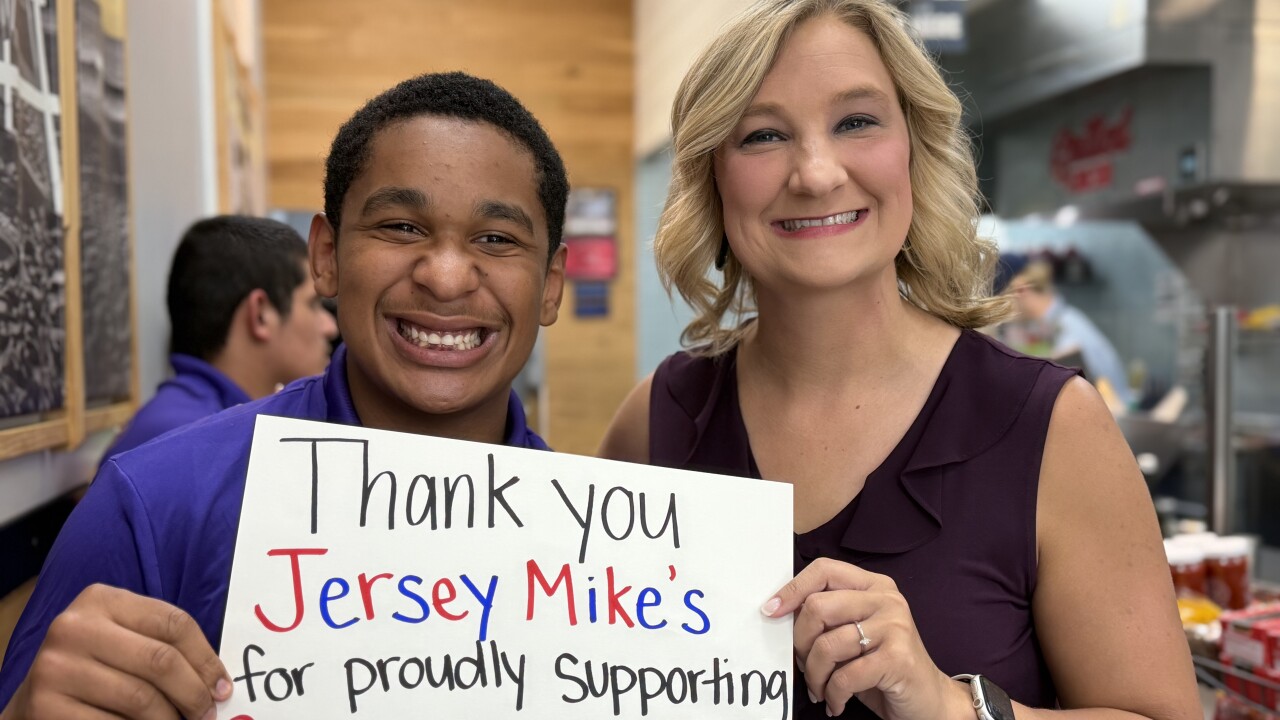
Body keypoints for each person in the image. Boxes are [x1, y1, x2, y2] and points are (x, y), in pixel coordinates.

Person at [600, 1, 1198, 718]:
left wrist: (951, 707)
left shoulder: (1051, 428)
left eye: (857, 122)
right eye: (762, 135)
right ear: (712, 178)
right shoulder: (656, 424)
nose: (817, 174)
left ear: (913, 147)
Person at [0, 71, 568, 719]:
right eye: (401, 227)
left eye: (495, 239)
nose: (443, 276)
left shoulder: (609, 568)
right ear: (325, 256)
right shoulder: (154, 507)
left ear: (550, 285)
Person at [102, 215, 339, 460]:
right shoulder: (183, 437)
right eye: (313, 304)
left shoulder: (217, 422)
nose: (330, 326)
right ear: (260, 316)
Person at [1006, 259, 1135, 408]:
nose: (1010, 307)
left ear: (1022, 291)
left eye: (1009, 297)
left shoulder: (1067, 331)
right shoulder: (1065, 319)